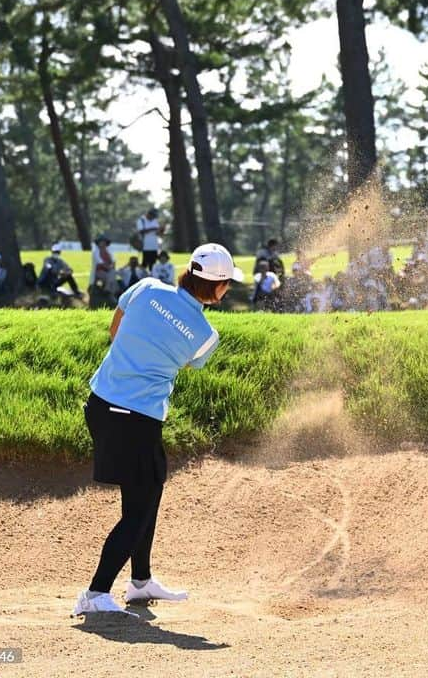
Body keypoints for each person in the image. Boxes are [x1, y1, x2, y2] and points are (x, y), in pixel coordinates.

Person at [73, 243, 243, 617]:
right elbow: (182, 363)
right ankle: (95, 593)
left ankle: (140, 581)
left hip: (102, 404)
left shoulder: (147, 287)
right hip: (136, 418)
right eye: (227, 284)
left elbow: (115, 328)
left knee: (147, 492)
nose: (228, 291)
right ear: (216, 287)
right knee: (140, 507)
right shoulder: (206, 336)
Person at [136, 207, 163, 272]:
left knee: (153, 264)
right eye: (152, 216)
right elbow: (141, 231)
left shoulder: (155, 220)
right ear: (148, 214)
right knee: (144, 263)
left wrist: (161, 231)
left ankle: (152, 276)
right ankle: (141, 277)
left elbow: (157, 233)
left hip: (154, 246)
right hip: (145, 246)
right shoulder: (141, 220)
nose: (153, 217)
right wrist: (153, 229)